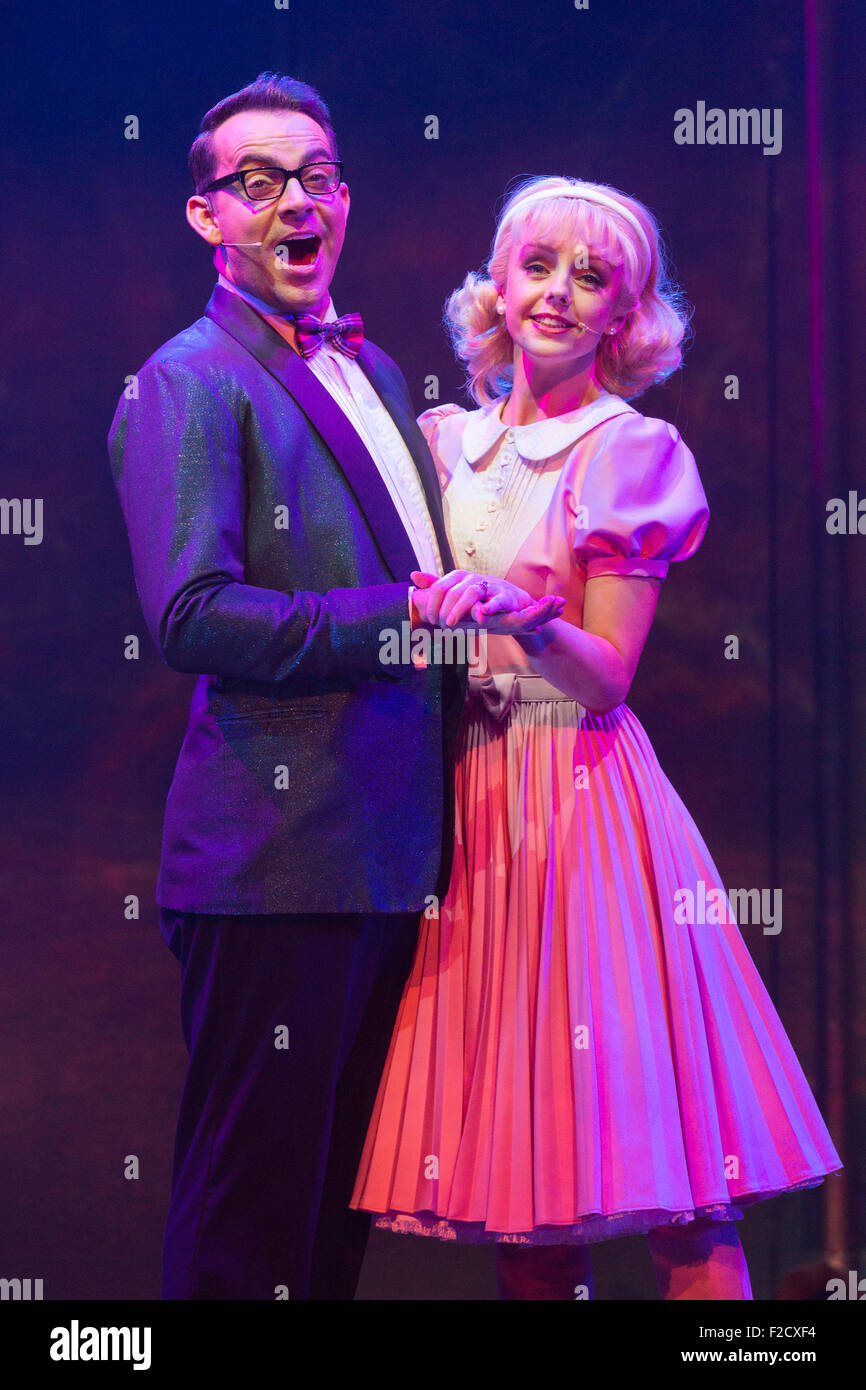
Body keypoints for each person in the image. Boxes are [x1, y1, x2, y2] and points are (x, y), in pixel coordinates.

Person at [106, 74, 561, 1301]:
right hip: (276, 865)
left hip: (384, 856)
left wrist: (471, 632)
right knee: (247, 1224)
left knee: (319, 1241)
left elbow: (410, 599)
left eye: (316, 175)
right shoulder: (189, 382)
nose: (292, 200)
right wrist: (398, 617)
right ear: (207, 215)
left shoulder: (370, 367)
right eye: (257, 182)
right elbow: (193, 617)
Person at [348, 174, 844, 1299]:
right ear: (497, 283)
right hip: (465, 810)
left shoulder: (628, 452)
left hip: (576, 808)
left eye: (592, 278)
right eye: (538, 266)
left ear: (623, 315)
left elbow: (607, 676)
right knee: (527, 1195)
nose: (559, 293)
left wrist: (527, 617)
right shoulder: (440, 440)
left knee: (672, 1189)